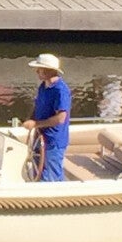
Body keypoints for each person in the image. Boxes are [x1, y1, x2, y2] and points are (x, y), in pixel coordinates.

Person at [21, 53, 71, 183]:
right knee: (39, 171)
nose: (37, 71)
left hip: (53, 140)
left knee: (52, 176)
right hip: (40, 138)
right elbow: (38, 105)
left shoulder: (60, 91)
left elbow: (60, 118)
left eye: (40, 68)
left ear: (49, 71)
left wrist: (35, 123)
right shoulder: (43, 86)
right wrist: (30, 119)